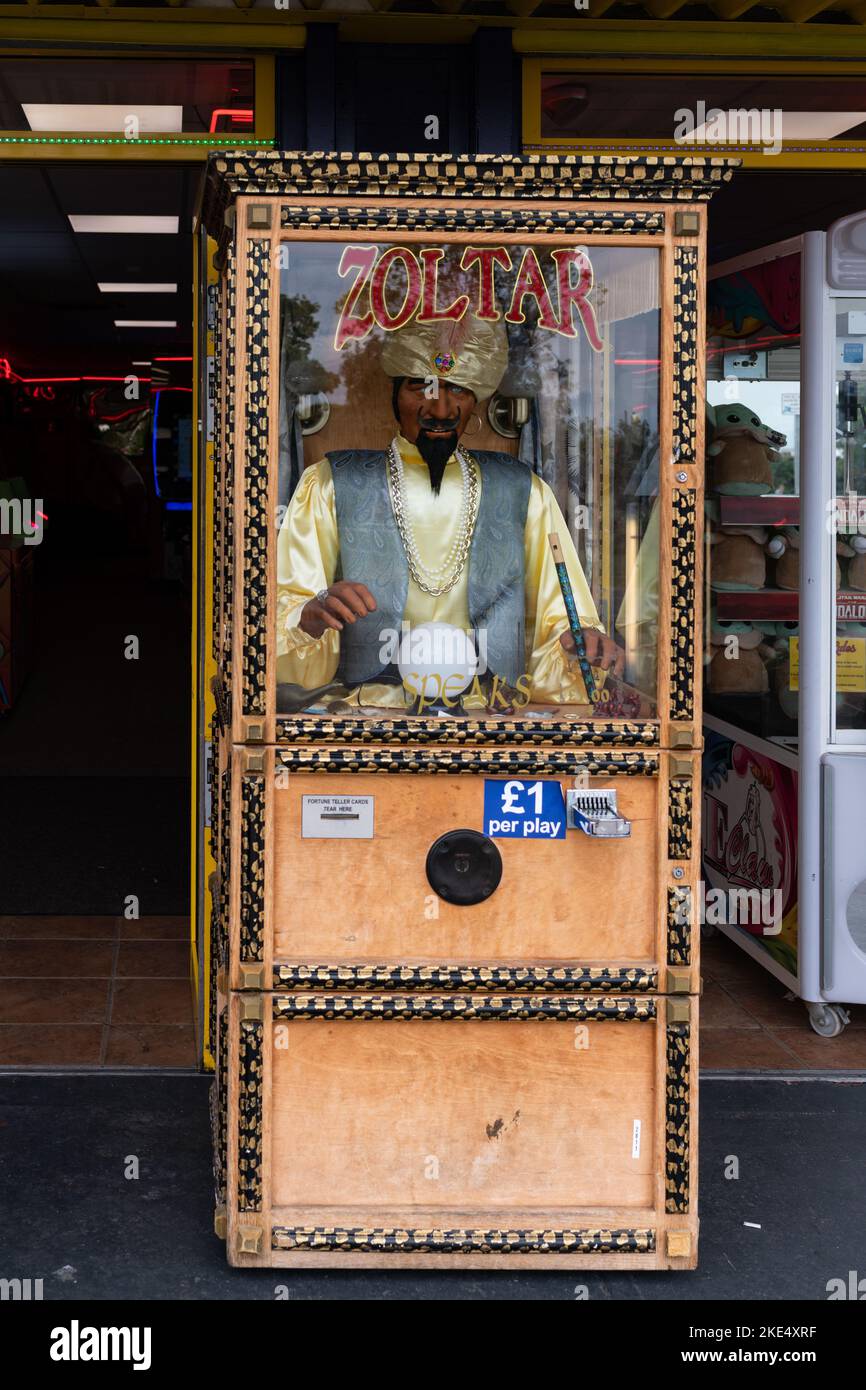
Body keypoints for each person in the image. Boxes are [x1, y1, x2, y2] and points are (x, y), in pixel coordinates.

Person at [276, 315, 623, 710]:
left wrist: (580, 644)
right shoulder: (329, 483)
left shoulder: (523, 490)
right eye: (420, 387)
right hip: (370, 713)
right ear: (393, 396)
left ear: (476, 400)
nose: (439, 409)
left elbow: (561, 618)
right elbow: (290, 611)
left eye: (457, 389)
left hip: (492, 715)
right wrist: (312, 615)